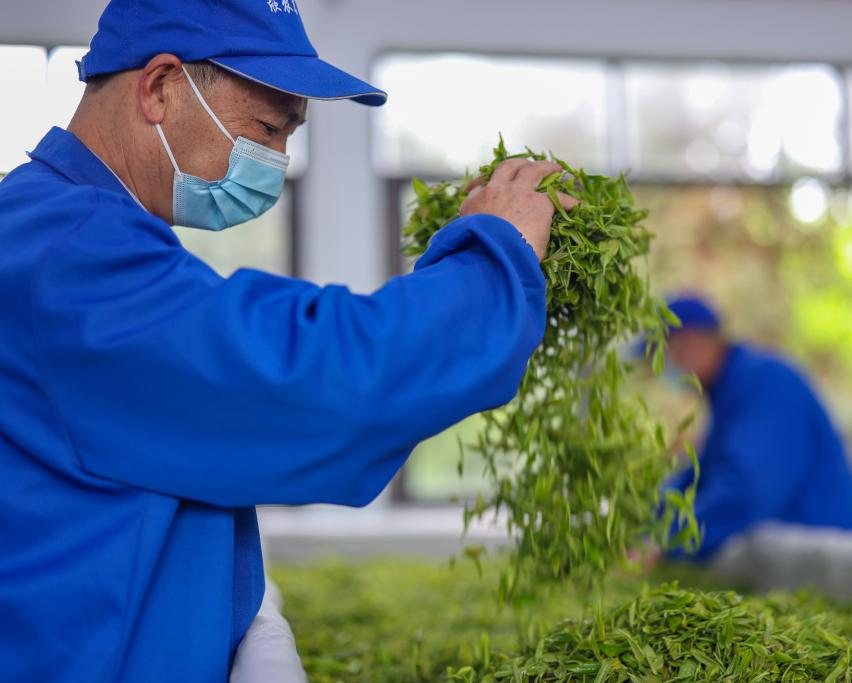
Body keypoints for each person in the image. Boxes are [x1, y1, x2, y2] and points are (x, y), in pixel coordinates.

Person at [0, 1, 577, 680]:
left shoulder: (69, 226)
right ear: (159, 87)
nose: (277, 161)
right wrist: (495, 259)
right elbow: (309, 379)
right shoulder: (67, 253)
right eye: (268, 129)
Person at [660, 296, 852, 562]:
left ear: (691, 343)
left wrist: (667, 542)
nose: (664, 366)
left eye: (663, 354)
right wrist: (650, 519)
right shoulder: (728, 396)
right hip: (797, 559)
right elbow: (699, 479)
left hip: (831, 559)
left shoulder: (766, 385)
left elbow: (748, 489)